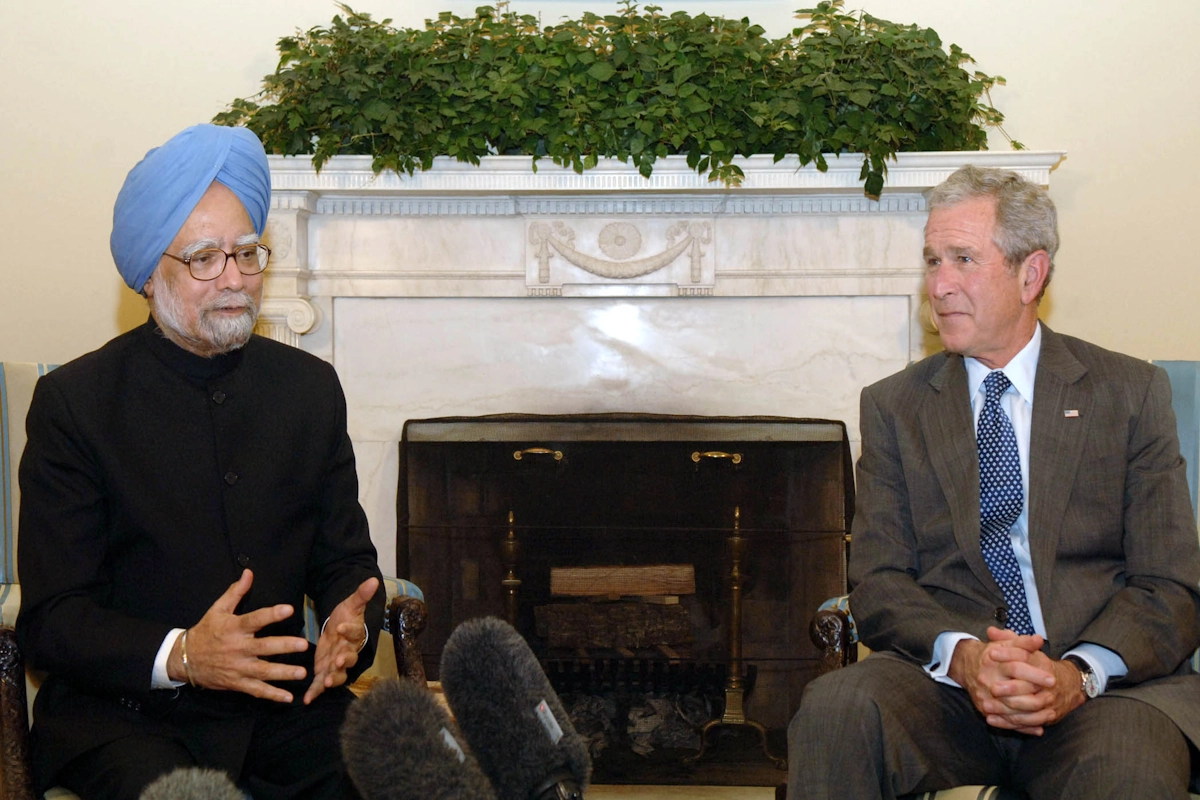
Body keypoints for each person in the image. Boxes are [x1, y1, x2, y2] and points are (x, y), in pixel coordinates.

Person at [788, 165, 1200, 798]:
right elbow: (877, 580)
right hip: (944, 692)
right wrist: (965, 657)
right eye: (932, 261)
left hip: (1097, 693)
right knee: (837, 708)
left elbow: (1169, 583)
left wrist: (1077, 673)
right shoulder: (896, 405)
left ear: (1030, 274)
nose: (940, 284)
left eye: (963, 259)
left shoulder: (1128, 393)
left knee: (1130, 766)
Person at [16, 124, 385, 800]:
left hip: (282, 710)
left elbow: (345, 562)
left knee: (395, 776)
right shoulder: (75, 403)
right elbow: (53, 619)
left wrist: (346, 622)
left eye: (247, 252)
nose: (236, 279)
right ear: (148, 275)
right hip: (124, 721)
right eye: (205, 259)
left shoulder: (308, 389)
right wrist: (184, 654)